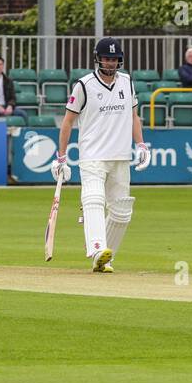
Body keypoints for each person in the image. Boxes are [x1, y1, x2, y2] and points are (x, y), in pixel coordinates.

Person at [54, 37, 152, 273]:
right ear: (98, 59)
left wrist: (141, 145)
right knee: (94, 200)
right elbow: (68, 122)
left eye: (114, 59)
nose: (110, 63)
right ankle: (97, 248)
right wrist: (61, 158)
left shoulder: (127, 82)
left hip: (120, 156)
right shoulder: (84, 85)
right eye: (107, 58)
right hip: (92, 156)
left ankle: (104, 260)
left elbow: (134, 116)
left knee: (122, 211)